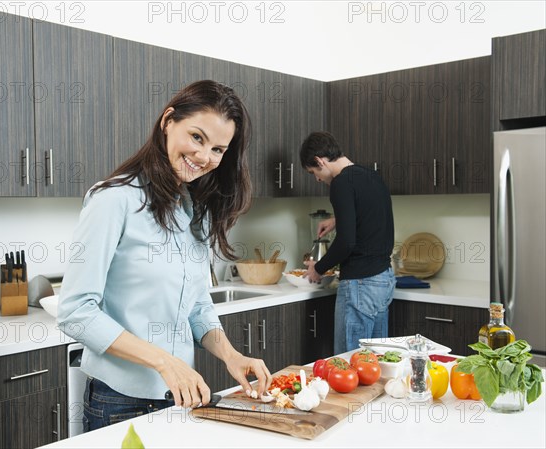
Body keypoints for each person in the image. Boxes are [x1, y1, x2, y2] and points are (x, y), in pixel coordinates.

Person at [57, 80, 272, 431]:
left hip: (179, 396)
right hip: (119, 403)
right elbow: (75, 312)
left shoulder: (194, 211)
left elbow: (198, 307)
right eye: (197, 137)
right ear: (168, 121)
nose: (205, 157)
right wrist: (164, 362)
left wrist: (232, 356)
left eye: (218, 150)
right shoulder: (113, 200)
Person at [300, 131, 396, 353]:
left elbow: (346, 243)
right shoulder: (372, 176)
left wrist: (318, 269)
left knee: (347, 364)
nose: (316, 178)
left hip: (360, 285)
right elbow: (373, 215)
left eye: (313, 172)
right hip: (383, 281)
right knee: (376, 364)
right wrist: (338, 220)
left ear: (319, 161)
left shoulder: (341, 183)